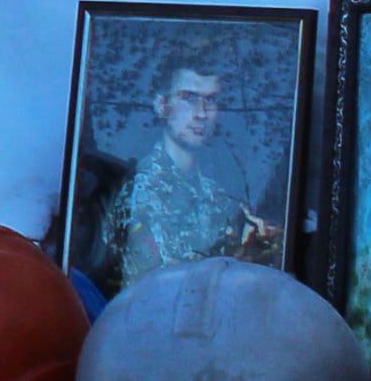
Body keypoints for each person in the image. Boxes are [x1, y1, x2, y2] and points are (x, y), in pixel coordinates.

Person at [96, 55, 276, 287]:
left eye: (210, 100)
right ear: (162, 105)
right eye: (189, 98)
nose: (201, 113)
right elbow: (152, 289)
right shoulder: (140, 194)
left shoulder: (218, 198)